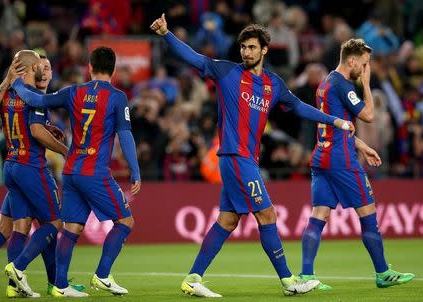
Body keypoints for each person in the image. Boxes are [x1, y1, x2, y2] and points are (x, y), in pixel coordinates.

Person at [150, 14, 355, 297]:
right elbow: (194, 58)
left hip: (245, 159)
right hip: (235, 157)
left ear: (264, 49)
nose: (246, 52)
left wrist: (334, 120)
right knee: (266, 214)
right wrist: (166, 34)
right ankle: (288, 281)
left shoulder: (273, 84)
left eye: (251, 47)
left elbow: (299, 107)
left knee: (228, 220)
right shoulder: (226, 72)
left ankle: (193, 278)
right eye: (243, 47)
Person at [10, 46, 141, 297]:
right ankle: (102, 275)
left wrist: (16, 82)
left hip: (71, 171)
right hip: (95, 172)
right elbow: (125, 135)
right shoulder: (117, 97)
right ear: (113, 69)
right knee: (125, 221)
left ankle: (60, 285)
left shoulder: (73, 91)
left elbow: (37, 99)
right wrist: (135, 170)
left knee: (72, 228)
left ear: (89, 68)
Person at [301, 38, 414, 289]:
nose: (365, 68)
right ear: (351, 61)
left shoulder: (325, 83)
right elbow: (369, 116)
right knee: (368, 214)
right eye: (364, 64)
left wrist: (362, 146)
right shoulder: (343, 85)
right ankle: (383, 273)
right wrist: (366, 83)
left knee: (318, 215)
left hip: (322, 157)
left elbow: (337, 126)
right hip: (342, 162)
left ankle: (306, 276)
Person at [0, 50, 69, 299]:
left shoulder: (8, 94)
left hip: (11, 165)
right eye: (39, 65)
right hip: (30, 167)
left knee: (11, 227)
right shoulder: (34, 97)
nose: (42, 69)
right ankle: (21, 270)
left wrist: (6, 81)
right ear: (30, 68)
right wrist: (65, 151)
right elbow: (36, 131)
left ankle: (15, 286)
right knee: (54, 222)